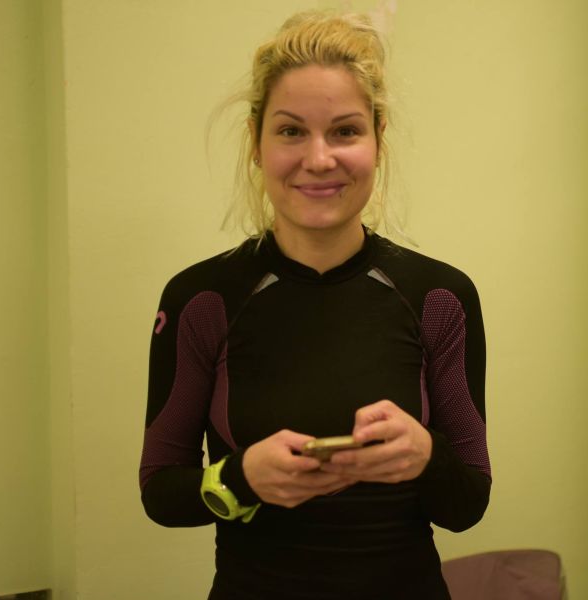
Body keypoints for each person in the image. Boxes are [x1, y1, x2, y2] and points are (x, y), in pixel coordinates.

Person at [139, 11, 490, 599]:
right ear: (256, 142)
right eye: (291, 131)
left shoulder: (439, 299)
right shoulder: (202, 300)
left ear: (378, 139)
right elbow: (161, 492)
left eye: (345, 131)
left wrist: (425, 456)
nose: (320, 159)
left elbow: (468, 504)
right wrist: (241, 479)